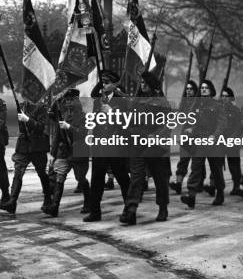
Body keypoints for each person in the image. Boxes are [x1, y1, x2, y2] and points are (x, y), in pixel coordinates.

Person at [122, 72, 171, 225]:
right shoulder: (135, 102)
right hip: (138, 145)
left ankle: (163, 207)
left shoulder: (161, 102)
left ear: (151, 84)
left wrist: (156, 137)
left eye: (145, 82)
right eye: (141, 82)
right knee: (136, 179)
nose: (142, 85)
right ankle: (131, 210)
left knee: (159, 179)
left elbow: (168, 124)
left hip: (156, 145)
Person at [83, 70, 131, 222]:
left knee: (123, 179)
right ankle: (95, 212)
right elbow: (94, 93)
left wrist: (111, 112)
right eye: (103, 82)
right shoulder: (99, 100)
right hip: (100, 146)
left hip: (116, 146)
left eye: (108, 82)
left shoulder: (123, 99)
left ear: (116, 84)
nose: (104, 84)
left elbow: (126, 123)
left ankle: (130, 211)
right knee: (96, 180)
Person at [0, 97, 51, 214]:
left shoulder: (42, 107)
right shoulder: (21, 105)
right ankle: (12, 201)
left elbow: (41, 127)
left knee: (42, 173)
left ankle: (48, 199)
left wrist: (27, 119)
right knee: (18, 172)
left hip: (38, 145)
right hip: (24, 145)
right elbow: (17, 125)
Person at [44, 89, 90, 218]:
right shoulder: (63, 115)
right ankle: (54, 207)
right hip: (65, 152)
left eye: (71, 100)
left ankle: (89, 203)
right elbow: (58, 135)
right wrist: (52, 154)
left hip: (79, 151)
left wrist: (69, 127)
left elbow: (82, 133)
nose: (69, 103)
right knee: (60, 176)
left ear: (77, 100)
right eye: (67, 100)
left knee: (81, 178)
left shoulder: (84, 116)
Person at [180, 80, 226, 208]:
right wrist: (192, 129)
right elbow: (198, 123)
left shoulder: (218, 105)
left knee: (216, 170)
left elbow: (222, 124)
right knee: (196, 168)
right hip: (200, 141)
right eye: (202, 88)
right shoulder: (199, 105)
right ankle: (191, 196)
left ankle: (220, 193)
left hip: (213, 142)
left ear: (211, 90)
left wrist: (214, 136)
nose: (204, 90)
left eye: (206, 88)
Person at [169, 80, 198, 195]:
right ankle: (178, 183)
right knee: (183, 161)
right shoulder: (185, 103)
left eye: (191, 89)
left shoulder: (199, 102)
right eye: (187, 89)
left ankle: (197, 184)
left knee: (197, 163)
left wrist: (194, 128)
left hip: (198, 136)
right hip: (186, 135)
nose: (189, 91)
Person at [215, 87, 243, 195]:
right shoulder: (218, 109)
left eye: (226, 96)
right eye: (222, 96)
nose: (224, 98)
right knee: (217, 164)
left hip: (231, 140)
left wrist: (233, 138)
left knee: (234, 165)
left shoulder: (236, 110)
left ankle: (237, 186)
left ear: (231, 98)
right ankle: (216, 185)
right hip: (221, 140)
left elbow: (238, 127)